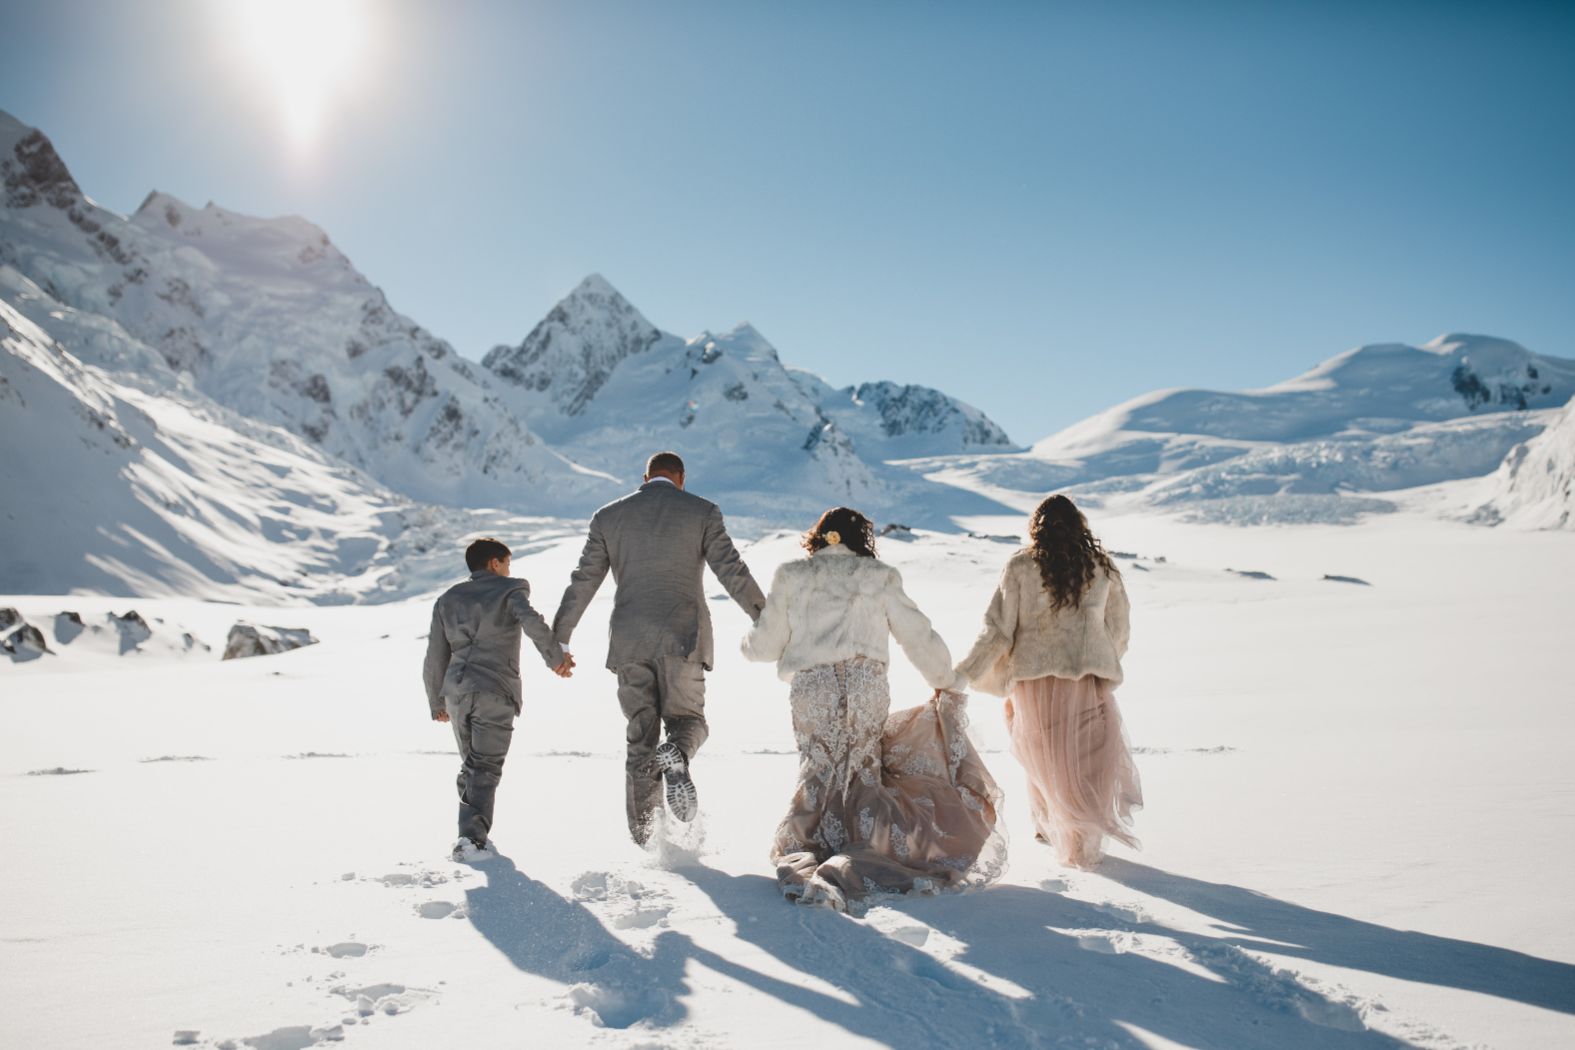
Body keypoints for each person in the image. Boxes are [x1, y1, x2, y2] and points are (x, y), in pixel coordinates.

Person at [741, 507, 1004, 912]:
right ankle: (859, 852)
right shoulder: (879, 576)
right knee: (862, 773)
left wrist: (747, 642)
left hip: (814, 687)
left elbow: (764, 647)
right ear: (860, 538)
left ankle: (812, 853)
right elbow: (917, 634)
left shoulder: (793, 575)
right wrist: (945, 679)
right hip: (866, 685)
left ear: (820, 536)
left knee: (819, 771)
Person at [553, 452, 765, 846]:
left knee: (640, 739)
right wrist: (765, 618)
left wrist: (560, 639)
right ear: (681, 478)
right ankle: (679, 754)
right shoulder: (702, 512)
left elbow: (583, 581)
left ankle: (648, 841)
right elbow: (731, 570)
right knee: (689, 720)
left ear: (644, 477)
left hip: (629, 643)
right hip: (683, 637)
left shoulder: (607, 517)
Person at [956, 494, 1141, 868]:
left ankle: (1047, 826)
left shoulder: (1021, 566)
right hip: (1086, 675)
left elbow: (997, 630)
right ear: (1080, 526)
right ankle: (1080, 834)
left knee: (1043, 754)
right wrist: (1103, 660)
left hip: (1033, 680)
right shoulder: (1101, 566)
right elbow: (1118, 629)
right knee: (1086, 757)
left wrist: (965, 673)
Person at [423, 537, 574, 860]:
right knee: (485, 766)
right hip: (494, 688)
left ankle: (472, 832)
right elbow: (533, 623)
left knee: (473, 765)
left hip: (456, 692)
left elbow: (435, 653)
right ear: (495, 563)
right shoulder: (509, 592)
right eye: (507, 563)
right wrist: (555, 658)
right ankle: (470, 839)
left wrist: (436, 701)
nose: (508, 570)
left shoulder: (447, 599)